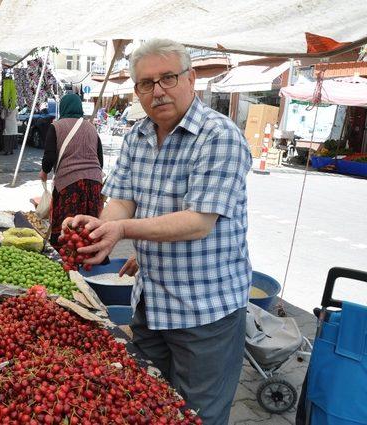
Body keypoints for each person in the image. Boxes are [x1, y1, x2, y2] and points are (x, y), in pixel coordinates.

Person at [66, 39, 252, 424]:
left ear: (191, 79)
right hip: (151, 302)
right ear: (137, 91)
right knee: (148, 406)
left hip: (204, 311)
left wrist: (122, 228)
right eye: (147, 83)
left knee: (197, 415)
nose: (158, 91)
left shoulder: (219, 136)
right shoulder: (138, 136)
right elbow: (122, 201)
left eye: (168, 78)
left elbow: (198, 222)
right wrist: (101, 224)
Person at [39, 93, 104, 246]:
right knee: (90, 224)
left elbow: (49, 155)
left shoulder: (56, 126)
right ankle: (91, 256)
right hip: (94, 184)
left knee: (67, 225)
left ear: (63, 107)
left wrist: (44, 171)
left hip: (69, 184)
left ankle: (65, 258)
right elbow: (99, 158)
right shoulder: (91, 127)